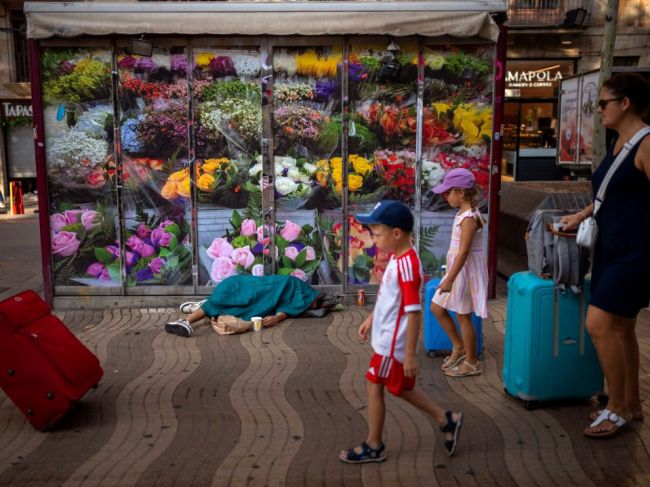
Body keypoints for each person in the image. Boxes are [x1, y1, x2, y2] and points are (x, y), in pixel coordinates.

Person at [560, 73, 650, 438]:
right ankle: (632, 404)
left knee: (598, 325)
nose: (599, 111)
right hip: (611, 248)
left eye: (603, 104)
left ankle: (614, 408)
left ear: (625, 103)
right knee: (623, 329)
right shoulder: (618, 142)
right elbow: (608, 195)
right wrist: (580, 215)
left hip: (638, 252)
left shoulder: (646, 144)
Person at [338, 200, 463, 463]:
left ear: (397, 233)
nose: (373, 238)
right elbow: (389, 298)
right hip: (388, 340)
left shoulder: (407, 264)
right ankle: (446, 419)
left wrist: (409, 355)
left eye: (377, 233)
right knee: (397, 388)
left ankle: (374, 445)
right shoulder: (398, 257)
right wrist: (372, 317)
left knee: (375, 384)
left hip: (391, 346)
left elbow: (413, 310)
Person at [429, 168, 488, 378]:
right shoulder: (462, 213)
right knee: (436, 307)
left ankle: (472, 362)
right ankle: (459, 346)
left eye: (448, 192)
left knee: (463, 316)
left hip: (464, 272)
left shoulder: (470, 218)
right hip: (458, 271)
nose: (445, 196)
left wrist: (450, 279)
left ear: (461, 193)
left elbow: (464, 252)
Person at [165, 274, 338, 337]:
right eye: (316, 304)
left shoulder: (300, 304)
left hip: (250, 293)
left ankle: (186, 321)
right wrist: (278, 316)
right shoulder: (300, 290)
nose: (312, 306)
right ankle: (187, 320)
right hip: (248, 287)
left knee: (218, 304)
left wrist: (276, 318)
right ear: (316, 297)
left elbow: (286, 309)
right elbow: (288, 303)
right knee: (219, 300)